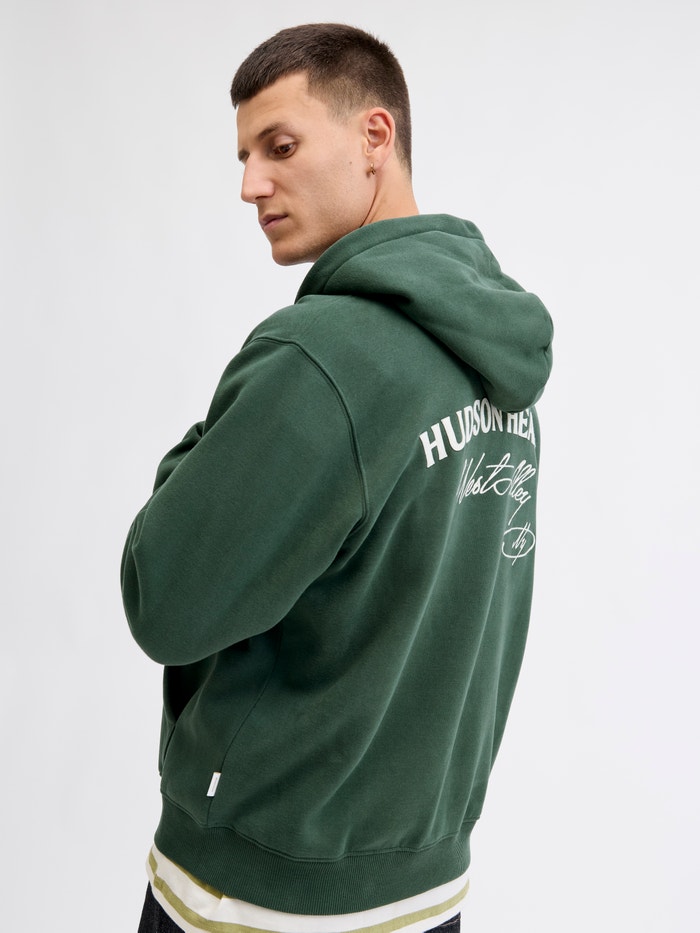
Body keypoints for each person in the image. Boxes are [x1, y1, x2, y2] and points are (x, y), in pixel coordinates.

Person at [122, 22, 553, 933]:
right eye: (244, 157)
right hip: (422, 887)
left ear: (374, 137)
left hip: (258, 894)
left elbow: (164, 598)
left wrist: (210, 439)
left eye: (279, 146)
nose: (250, 185)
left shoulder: (318, 359)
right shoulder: (499, 364)